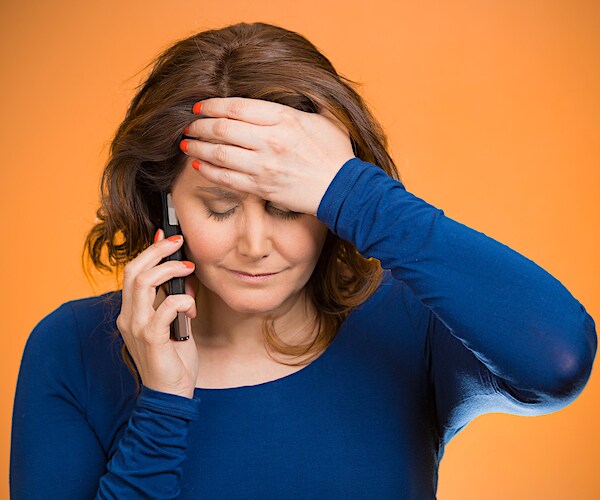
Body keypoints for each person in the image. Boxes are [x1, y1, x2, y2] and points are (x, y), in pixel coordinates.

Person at [9, 21, 597, 499]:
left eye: (290, 208)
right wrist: (162, 408)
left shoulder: (408, 324)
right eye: (219, 208)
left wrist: (354, 192)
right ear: (163, 205)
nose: (256, 244)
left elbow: (559, 358)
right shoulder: (72, 348)